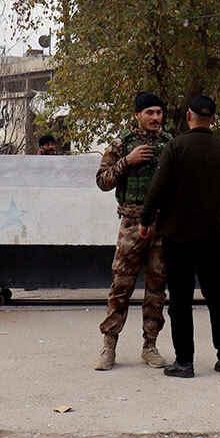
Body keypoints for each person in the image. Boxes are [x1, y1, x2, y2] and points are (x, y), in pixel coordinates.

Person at [140, 95, 220, 377]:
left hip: (177, 236)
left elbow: (157, 188)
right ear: (213, 119)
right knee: (217, 297)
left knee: (180, 299)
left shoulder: (174, 147)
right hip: (212, 236)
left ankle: (185, 362)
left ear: (188, 115)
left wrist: (145, 220)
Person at [92, 92, 171, 371]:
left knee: (157, 288)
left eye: (159, 112)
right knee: (121, 286)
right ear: (137, 114)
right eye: (149, 112)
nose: (155, 118)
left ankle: (150, 345)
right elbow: (102, 181)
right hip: (131, 224)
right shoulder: (121, 144)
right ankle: (109, 344)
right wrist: (128, 160)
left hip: (161, 226)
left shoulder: (168, 144)